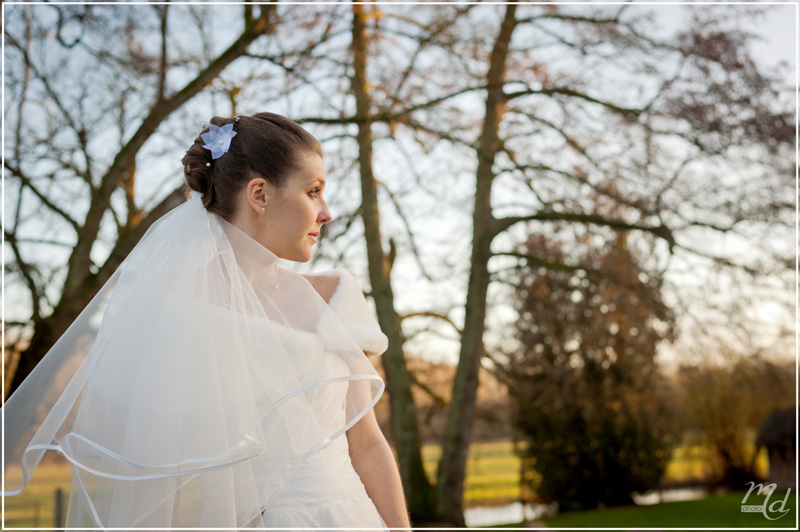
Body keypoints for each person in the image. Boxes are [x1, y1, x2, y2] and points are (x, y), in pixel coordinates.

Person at [3, 112, 412, 529]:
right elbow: (155, 483)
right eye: (314, 192)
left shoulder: (336, 297)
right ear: (259, 194)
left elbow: (366, 445)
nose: (325, 212)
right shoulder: (175, 317)